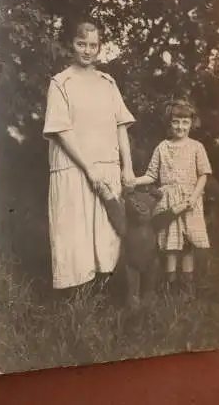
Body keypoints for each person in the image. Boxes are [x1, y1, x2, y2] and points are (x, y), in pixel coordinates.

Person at [43, 17, 135, 290]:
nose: (87, 50)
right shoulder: (61, 82)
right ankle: (75, 295)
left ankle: (104, 290)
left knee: (107, 232)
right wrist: (88, 168)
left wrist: (127, 167)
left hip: (106, 164)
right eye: (81, 43)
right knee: (74, 230)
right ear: (71, 44)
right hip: (74, 167)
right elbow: (62, 130)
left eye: (93, 45)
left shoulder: (108, 83)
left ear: (99, 47)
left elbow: (121, 127)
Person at [129, 99, 212, 296]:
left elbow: (204, 174)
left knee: (188, 245)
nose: (180, 127)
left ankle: (187, 287)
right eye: (176, 122)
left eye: (185, 122)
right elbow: (151, 175)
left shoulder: (196, 147)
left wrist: (194, 197)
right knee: (171, 245)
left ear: (192, 123)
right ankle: (170, 286)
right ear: (169, 123)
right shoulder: (162, 147)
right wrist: (134, 181)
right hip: (169, 201)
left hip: (190, 201)